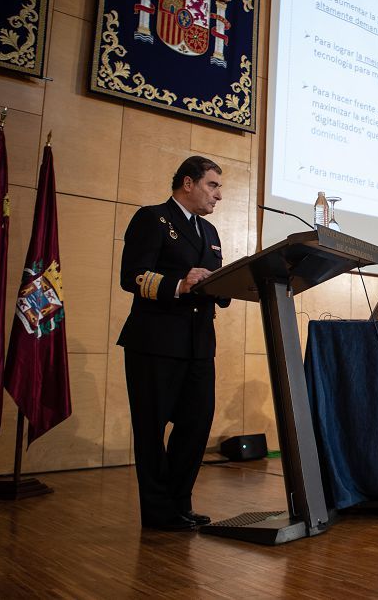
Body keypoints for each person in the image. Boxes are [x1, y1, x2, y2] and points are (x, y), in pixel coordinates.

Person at [118, 156, 231, 531]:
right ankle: (157, 511)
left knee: (195, 427)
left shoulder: (210, 233)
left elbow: (217, 283)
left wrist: (227, 284)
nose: (218, 195)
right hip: (154, 342)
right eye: (212, 185)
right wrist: (180, 284)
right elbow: (130, 276)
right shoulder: (152, 218)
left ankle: (179, 504)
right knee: (151, 431)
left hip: (199, 345)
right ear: (188, 183)